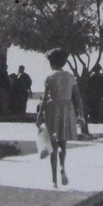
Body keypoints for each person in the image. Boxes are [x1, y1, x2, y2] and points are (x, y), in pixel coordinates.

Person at [38, 48, 85, 188]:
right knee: (63, 142)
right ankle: (62, 167)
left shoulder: (50, 77)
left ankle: (54, 179)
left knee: (51, 142)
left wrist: (40, 114)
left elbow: (45, 98)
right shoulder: (71, 77)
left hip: (53, 110)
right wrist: (81, 114)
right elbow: (78, 97)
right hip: (67, 109)